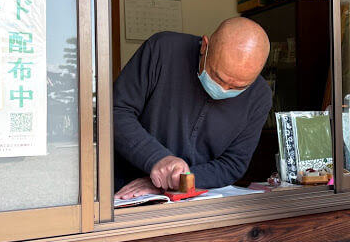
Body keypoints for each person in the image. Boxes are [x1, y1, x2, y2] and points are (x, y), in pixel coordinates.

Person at [113, 17, 271, 198]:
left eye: (239, 87)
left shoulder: (259, 96)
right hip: (127, 191)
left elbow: (233, 164)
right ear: (205, 47)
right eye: (218, 78)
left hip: (197, 198)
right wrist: (157, 159)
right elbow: (116, 112)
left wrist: (176, 183)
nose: (224, 89)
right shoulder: (162, 50)